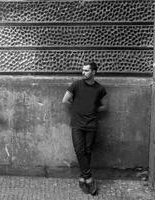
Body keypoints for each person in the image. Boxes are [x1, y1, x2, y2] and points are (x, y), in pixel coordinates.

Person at [62, 62, 107, 195]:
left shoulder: (100, 89)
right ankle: (90, 179)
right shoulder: (76, 85)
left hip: (92, 124)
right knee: (79, 150)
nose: (83, 73)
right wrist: (77, 108)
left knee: (87, 151)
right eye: (82, 70)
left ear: (94, 72)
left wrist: (92, 109)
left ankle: (82, 178)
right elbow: (65, 100)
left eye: (86, 70)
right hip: (77, 124)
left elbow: (105, 106)